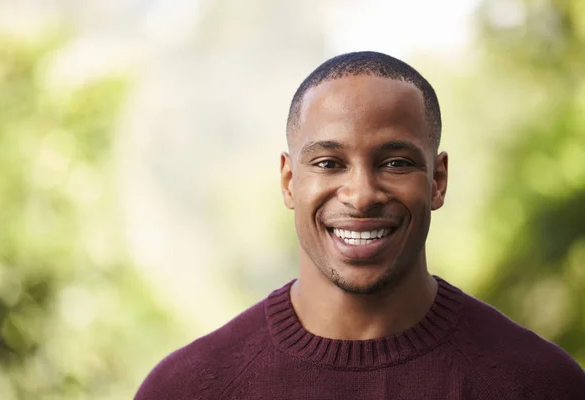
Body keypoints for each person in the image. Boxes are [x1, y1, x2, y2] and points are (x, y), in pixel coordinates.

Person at [134, 51, 585, 399]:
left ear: (438, 181)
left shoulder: (541, 385)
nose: (362, 193)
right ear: (290, 182)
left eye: (394, 162)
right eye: (329, 162)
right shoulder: (189, 388)